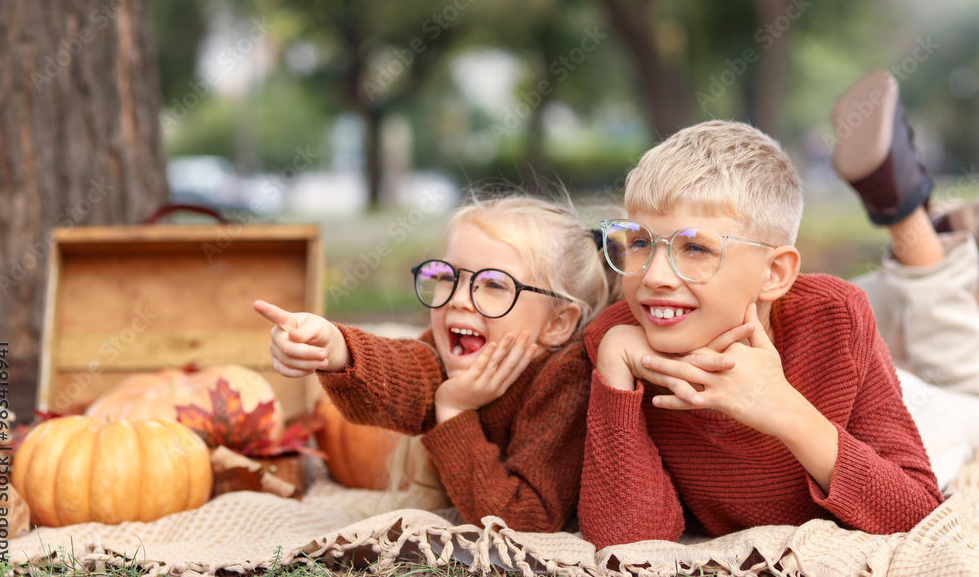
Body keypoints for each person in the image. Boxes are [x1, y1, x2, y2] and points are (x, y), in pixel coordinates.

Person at [578, 119, 944, 549]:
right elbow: (626, 540)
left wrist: (783, 407)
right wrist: (614, 371)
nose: (654, 277)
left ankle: (910, 210)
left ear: (773, 273)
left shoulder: (836, 319)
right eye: (640, 243)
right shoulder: (615, 341)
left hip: (936, 418)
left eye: (695, 248)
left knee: (949, 352)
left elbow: (919, 513)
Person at [254, 191, 614, 533]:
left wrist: (455, 411)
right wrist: (335, 349)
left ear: (558, 323)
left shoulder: (569, 382)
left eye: (493, 285)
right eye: (447, 277)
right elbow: (405, 371)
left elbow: (524, 520)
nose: (458, 299)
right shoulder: (454, 351)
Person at [830, 69, 979, 492]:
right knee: (967, 400)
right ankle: (909, 206)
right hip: (878, 341)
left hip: (855, 331)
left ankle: (909, 205)